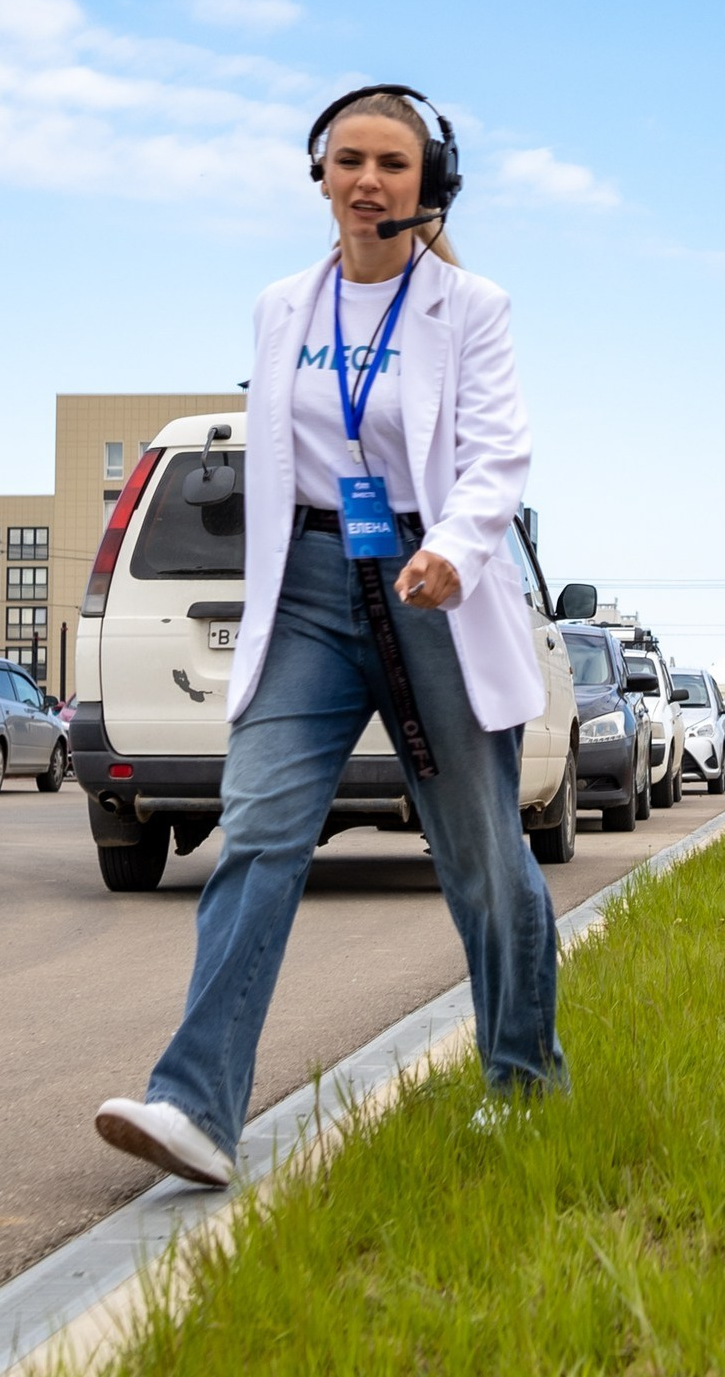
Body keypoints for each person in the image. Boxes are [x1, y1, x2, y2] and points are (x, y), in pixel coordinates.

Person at [94, 85, 566, 1188]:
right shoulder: (280, 307)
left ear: (428, 183)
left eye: (392, 163)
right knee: (259, 831)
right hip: (307, 588)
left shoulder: (471, 307)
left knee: (482, 853)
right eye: (349, 159)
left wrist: (454, 545)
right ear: (320, 173)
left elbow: (497, 452)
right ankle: (196, 1106)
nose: (368, 181)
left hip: (428, 583)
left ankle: (523, 1083)